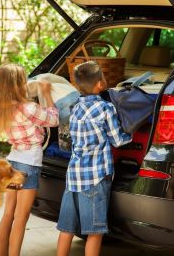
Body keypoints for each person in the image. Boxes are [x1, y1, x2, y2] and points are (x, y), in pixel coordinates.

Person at [56, 61, 132, 256]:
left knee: (66, 229)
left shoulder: (74, 108)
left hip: (73, 178)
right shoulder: (106, 108)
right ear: (100, 84)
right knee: (95, 232)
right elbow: (117, 140)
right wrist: (131, 134)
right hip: (95, 179)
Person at [0, 63, 59, 256]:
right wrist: (47, 93)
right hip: (29, 164)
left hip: (13, 161)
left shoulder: (2, 108)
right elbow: (54, 119)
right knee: (21, 216)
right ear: (18, 84)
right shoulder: (28, 108)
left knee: (8, 213)